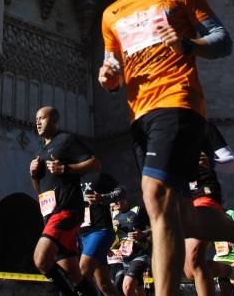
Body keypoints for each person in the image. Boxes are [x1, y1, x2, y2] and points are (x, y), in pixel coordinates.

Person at [98, 0, 234, 295]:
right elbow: (111, 65)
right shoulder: (110, 14)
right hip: (138, 114)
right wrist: (109, 78)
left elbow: (221, 40)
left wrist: (187, 43)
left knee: (154, 194)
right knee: (176, 214)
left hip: (179, 100)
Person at [30, 106, 100, 295]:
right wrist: (34, 175)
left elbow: (95, 163)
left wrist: (66, 169)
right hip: (50, 213)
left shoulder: (67, 140)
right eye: (36, 119)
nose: (37, 122)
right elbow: (40, 191)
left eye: (42, 118)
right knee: (76, 277)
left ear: (54, 121)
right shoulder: (40, 149)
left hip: (67, 210)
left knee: (41, 259)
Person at [185, 120, 234, 296]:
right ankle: (229, 271)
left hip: (205, 194)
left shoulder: (203, 127)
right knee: (190, 270)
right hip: (184, 200)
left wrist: (211, 162)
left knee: (194, 256)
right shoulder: (163, 134)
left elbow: (233, 163)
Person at [78, 174, 125, 296]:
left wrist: (102, 198)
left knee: (82, 273)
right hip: (81, 234)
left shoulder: (98, 174)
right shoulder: (70, 178)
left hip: (101, 230)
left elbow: (122, 191)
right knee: (104, 283)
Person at [112, 191, 151, 296]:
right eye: (114, 200)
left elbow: (156, 226)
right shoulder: (113, 216)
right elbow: (115, 241)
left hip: (141, 254)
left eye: (119, 198)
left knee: (127, 287)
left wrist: (143, 233)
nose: (117, 202)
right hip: (125, 258)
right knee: (139, 290)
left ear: (126, 199)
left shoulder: (137, 210)